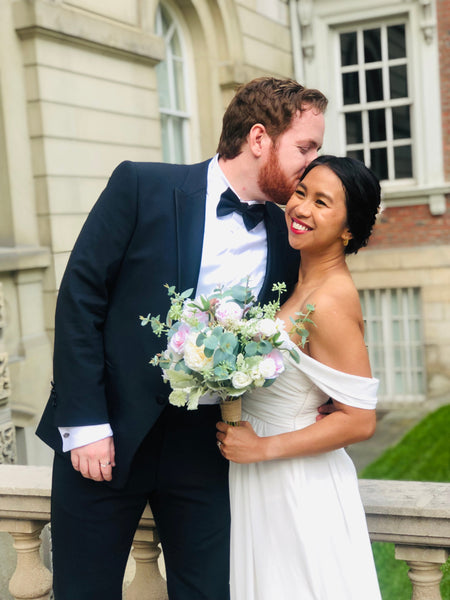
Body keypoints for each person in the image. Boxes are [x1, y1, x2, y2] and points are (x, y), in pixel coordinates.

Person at [36, 77, 328, 599]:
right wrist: (82, 422)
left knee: (209, 591)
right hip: (106, 434)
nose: (312, 162)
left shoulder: (290, 236)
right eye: (305, 148)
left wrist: (323, 398)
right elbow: (81, 298)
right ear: (259, 138)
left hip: (208, 446)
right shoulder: (141, 185)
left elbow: (307, 320)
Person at [216, 155, 383, 600]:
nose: (301, 208)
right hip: (265, 476)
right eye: (302, 192)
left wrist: (261, 447)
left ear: (349, 230)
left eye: (322, 202)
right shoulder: (299, 282)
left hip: (296, 483)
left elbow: (361, 420)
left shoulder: (329, 299)